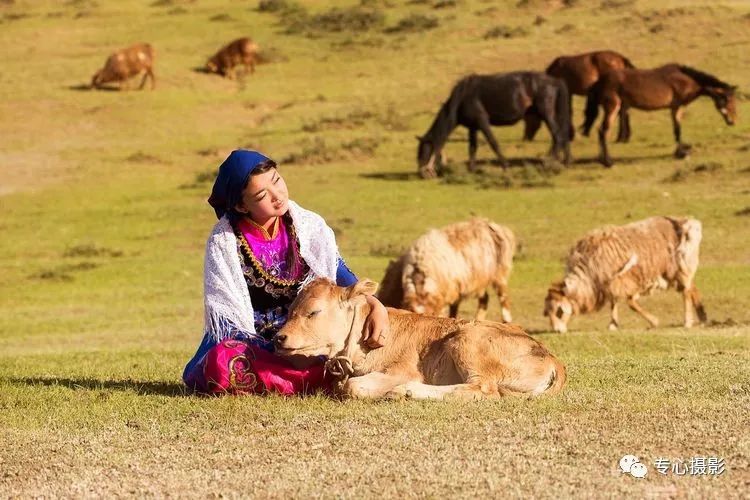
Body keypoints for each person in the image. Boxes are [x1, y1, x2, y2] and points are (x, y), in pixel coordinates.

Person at [183, 149, 389, 395]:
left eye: (277, 180)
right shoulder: (224, 242)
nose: (277, 195)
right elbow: (228, 321)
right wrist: (275, 349)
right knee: (220, 362)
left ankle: (299, 378)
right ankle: (316, 379)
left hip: (305, 331)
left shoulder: (308, 225)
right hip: (255, 341)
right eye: (261, 195)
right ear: (240, 205)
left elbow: (339, 273)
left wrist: (377, 306)